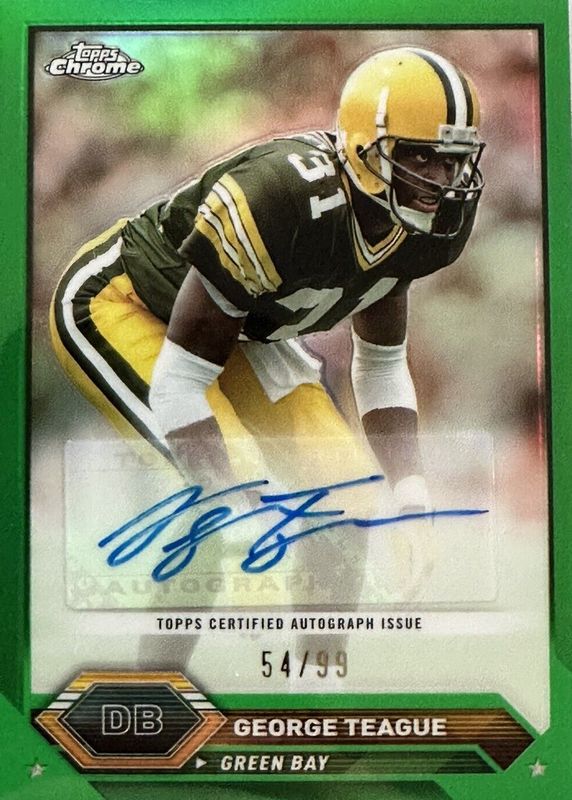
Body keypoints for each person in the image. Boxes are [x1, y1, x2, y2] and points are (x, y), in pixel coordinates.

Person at [50, 47, 484, 611]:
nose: (440, 180)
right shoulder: (282, 197)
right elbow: (181, 383)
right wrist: (231, 499)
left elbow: (380, 363)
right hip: (127, 300)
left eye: (452, 160)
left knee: (344, 496)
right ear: (364, 147)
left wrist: (410, 495)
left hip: (239, 326)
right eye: (421, 157)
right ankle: (157, 663)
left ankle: (315, 662)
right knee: (222, 492)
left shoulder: (430, 222)